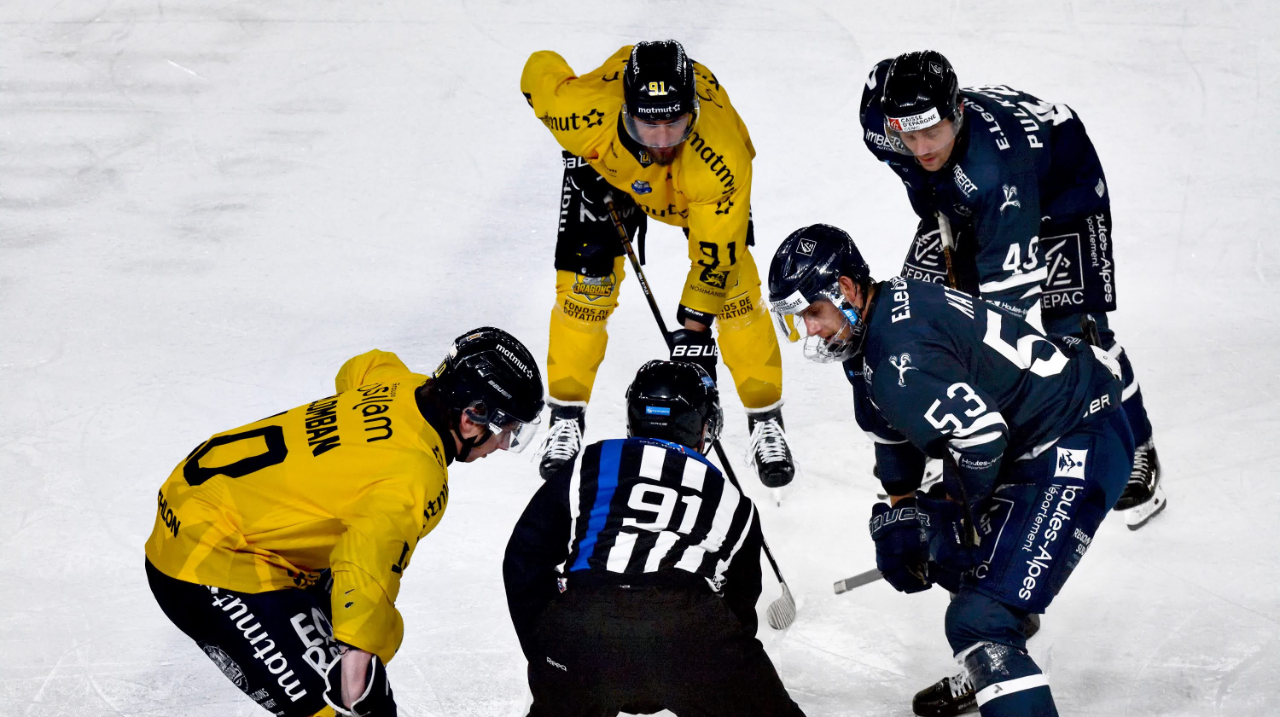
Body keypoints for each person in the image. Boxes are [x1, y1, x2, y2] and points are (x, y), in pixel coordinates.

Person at [767, 224, 1135, 717]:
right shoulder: (879, 320)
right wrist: (905, 508)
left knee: (976, 617)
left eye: (813, 312)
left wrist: (949, 512)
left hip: (1077, 441)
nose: (810, 329)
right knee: (947, 546)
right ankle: (1002, 658)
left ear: (847, 289)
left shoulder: (902, 355)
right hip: (1040, 429)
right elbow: (890, 429)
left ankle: (995, 640)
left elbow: (982, 441)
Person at [144, 328, 545, 717]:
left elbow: (363, 366)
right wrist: (356, 659)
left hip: (203, 503)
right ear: (473, 417)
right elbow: (365, 563)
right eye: (506, 431)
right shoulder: (414, 477)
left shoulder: (400, 386)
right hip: (207, 559)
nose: (502, 445)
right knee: (342, 708)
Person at [858, 51, 1164, 532]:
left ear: (957, 111)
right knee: (913, 306)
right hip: (965, 196)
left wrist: (984, 426)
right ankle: (940, 420)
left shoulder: (996, 175)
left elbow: (1000, 322)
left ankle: (1138, 443)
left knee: (1077, 332)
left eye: (931, 133)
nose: (920, 148)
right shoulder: (882, 124)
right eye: (908, 135)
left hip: (1062, 190)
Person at [520, 39, 797, 487]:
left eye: (675, 123)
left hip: (698, 193)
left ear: (693, 112)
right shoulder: (582, 114)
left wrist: (693, 331)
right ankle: (566, 413)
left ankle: (765, 416)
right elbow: (537, 69)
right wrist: (582, 157)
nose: (664, 140)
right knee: (584, 289)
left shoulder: (722, 159)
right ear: (625, 111)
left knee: (736, 296)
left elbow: (715, 261)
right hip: (610, 164)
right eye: (649, 125)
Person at [503, 360, 806, 716]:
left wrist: (549, 646)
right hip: (689, 631)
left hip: (581, 631)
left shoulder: (592, 460)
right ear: (702, 425)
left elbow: (524, 557)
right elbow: (739, 606)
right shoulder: (733, 500)